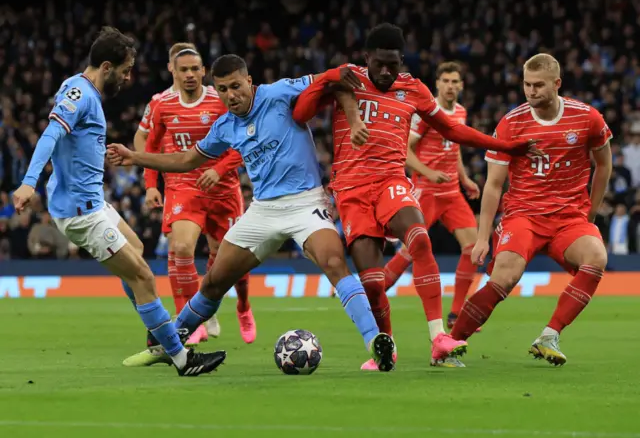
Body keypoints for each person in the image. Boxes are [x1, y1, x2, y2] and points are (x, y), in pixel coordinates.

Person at [107, 54, 398, 372]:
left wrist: (354, 115)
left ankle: (375, 342)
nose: (231, 95)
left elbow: (335, 81)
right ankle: (172, 341)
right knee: (215, 282)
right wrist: (136, 157)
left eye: (235, 86)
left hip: (306, 203)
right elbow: (187, 160)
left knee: (333, 262)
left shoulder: (278, 92)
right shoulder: (224, 126)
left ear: (249, 81)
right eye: (222, 89)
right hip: (263, 211)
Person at [291, 22, 541, 370]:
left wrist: (505, 146)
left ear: (402, 61)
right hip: (351, 190)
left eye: (393, 64)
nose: (385, 71)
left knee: (420, 238)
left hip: (391, 180)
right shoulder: (346, 81)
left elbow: (453, 130)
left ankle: (439, 336)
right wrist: (328, 76)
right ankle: (386, 348)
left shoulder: (413, 89)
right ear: (367, 58)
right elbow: (300, 113)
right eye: (379, 63)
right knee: (373, 285)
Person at [12, 26, 225, 376]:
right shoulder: (80, 93)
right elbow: (51, 133)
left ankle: (158, 334)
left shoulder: (83, 92)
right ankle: (181, 358)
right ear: (106, 66)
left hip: (93, 204)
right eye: (125, 71)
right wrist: (27, 183)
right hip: (81, 214)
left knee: (137, 248)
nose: (127, 79)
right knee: (143, 277)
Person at [449, 53, 612, 366]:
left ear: (557, 84)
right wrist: (482, 238)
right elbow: (494, 185)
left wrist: (590, 213)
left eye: (539, 85)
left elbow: (604, 164)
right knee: (504, 278)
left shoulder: (587, 117)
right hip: (524, 216)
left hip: (569, 218)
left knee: (597, 258)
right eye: (527, 84)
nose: (531, 91)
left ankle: (549, 335)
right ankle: (450, 343)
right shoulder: (511, 123)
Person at [123, 48, 251, 368]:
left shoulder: (220, 99)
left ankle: (243, 306)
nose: (190, 74)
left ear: (204, 70)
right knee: (180, 248)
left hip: (223, 188)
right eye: (184, 70)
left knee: (228, 261)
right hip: (183, 186)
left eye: (195, 68)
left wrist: (219, 170)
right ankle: (187, 325)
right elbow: (151, 146)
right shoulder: (162, 104)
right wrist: (152, 183)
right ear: (173, 72)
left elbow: (243, 142)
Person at [383, 61, 482, 334]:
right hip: (426, 191)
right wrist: (429, 172)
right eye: (446, 81)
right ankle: (375, 292)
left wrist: (464, 179)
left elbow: (456, 147)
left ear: (461, 85)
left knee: (473, 249)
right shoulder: (426, 113)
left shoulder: (460, 112)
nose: (450, 86)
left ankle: (457, 313)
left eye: (455, 82)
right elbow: (405, 151)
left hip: (451, 193)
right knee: (410, 251)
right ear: (437, 84)